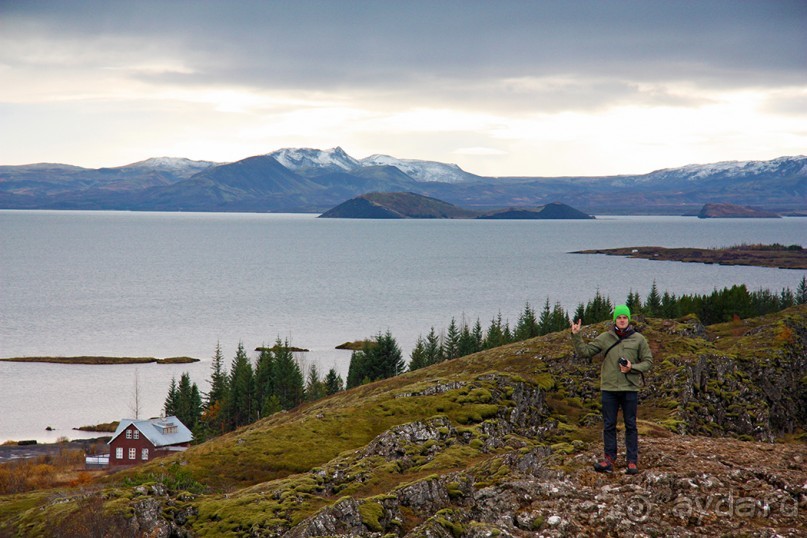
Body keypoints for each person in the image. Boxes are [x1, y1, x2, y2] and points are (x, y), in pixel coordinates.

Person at [570, 305, 653, 474]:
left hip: (629, 388)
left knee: (631, 425)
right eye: (619, 317)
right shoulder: (605, 338)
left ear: (628, 319)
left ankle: (632, 461)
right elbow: (585, 352)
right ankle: (609, 459)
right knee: (609, 425)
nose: (622, 320)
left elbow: (648, 362)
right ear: (614, 320)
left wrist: (632, 367)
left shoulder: (639, 339)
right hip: (609, 389)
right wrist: (576, 335)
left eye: (624, 317)